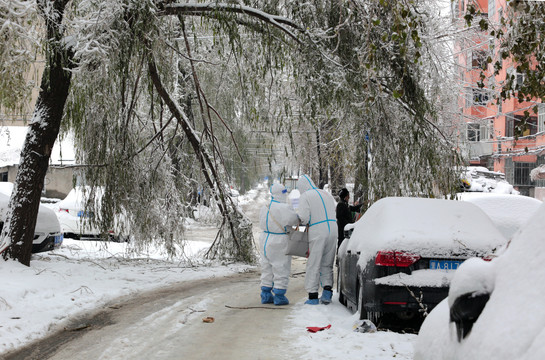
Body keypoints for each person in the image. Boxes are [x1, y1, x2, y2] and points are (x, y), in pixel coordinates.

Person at [296, 175, 338, 305]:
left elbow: (304, 217)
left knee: (314, 262)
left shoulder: (305, 196)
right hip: (333, 228)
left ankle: (313, 296)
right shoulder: (326, 194)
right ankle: (327, 292)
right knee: (327, 262)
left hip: (318, 230)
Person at [258, 183, 299, 305]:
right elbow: (294, 220)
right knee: (280, 266)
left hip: (265, 238)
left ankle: (265, 294)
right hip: (279, 240)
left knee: (266, 266)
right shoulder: (284, 207)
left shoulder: (265, 206)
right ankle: (279, 295)